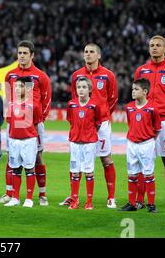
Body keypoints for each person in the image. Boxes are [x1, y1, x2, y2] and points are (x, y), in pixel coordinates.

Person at [60, 43, 118, 209]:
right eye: (86, 52)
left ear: (98, 55)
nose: (88, 54)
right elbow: (74, 99)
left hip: (102, 123)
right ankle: (74, 197)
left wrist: (101, 115)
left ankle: (111, 197)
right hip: (82, 124)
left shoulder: (108, 75)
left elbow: (113, 99)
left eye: (92, 52)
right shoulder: (77, 75)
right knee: (77, 162)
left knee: (106, 159)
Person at [0, 40, 51, 206]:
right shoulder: (10, 75)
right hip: (15, 121)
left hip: (34, 122)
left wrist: (39, 120)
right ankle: (9, 193)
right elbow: (8, 97)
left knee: (38, 157)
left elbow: (47, 101)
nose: (22, 56)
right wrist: (10, 118)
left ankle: (42, 194)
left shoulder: (41, 76)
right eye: (19, 53)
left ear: (32, 55)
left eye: (25, 53)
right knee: (12, 157)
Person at [133, 35, 165, 211]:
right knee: (142, 160)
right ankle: (140, 200)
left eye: (158, 45)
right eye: (151, 45)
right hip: (145, 121)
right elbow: (136, 94)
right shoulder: (141, 71)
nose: (154, 48)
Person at [119, 78, 161, 213]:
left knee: (148, 174)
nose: (133, 92)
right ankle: (132, 203)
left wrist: (148, 140)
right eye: (132, 89)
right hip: (131, 144)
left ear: (145, 91)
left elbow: (157, 128)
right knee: (132, 175)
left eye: (136, 89)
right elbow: (130, 125)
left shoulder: (152, 108)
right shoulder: (129, 107)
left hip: (146, 144)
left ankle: (151, 204)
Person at [63, 77, 101, 210]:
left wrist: (88, 134)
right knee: (75, 171)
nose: (81, 90)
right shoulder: (71, 104)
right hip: (74, 142)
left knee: (89, 172)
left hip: (89, 143)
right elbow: (70, 120)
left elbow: (98, 123)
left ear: (90, 89)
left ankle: (89, 202)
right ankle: (75, 200)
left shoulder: (95, 105)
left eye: (84, 87)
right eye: (79, 87)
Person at [3, 77, 42, 208]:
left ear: (27, 88)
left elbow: (36, 123)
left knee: (29, 168)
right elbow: (10, 122)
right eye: (16, 86)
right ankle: (15, 197)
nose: (18, 89)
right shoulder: (11, 104)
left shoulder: (33, 104)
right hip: (14, 140)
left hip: (28, 140)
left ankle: (29, 198)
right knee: (16, 169)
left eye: (21, 86)